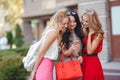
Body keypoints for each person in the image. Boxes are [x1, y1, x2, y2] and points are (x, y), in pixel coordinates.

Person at [29, 10, 69, 80]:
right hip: (45, 67)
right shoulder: (53, 33)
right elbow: (41, 53)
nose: (66, 26)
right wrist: (34, 71)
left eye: (67, 23)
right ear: (57, 22)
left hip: (48, 66)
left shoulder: (56, 33)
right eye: (64, 23)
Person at [79, 8, 104, 80]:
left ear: (92, 21)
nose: (83, 23)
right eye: (83, 20)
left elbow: (90, 51)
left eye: (86, 21)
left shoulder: (98, 34)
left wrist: (90, 35)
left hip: (92, 62)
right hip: (83, 61)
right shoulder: (84, 30)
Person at [61, 11, 84, 80]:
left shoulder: (79, 33)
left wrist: (80, 56)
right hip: (68, 63)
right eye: (70, 22)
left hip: (77, 63)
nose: (72, 24)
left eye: (74, 21)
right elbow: (64, 54)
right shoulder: (63, 34)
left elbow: (81, 49)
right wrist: (72, 48)